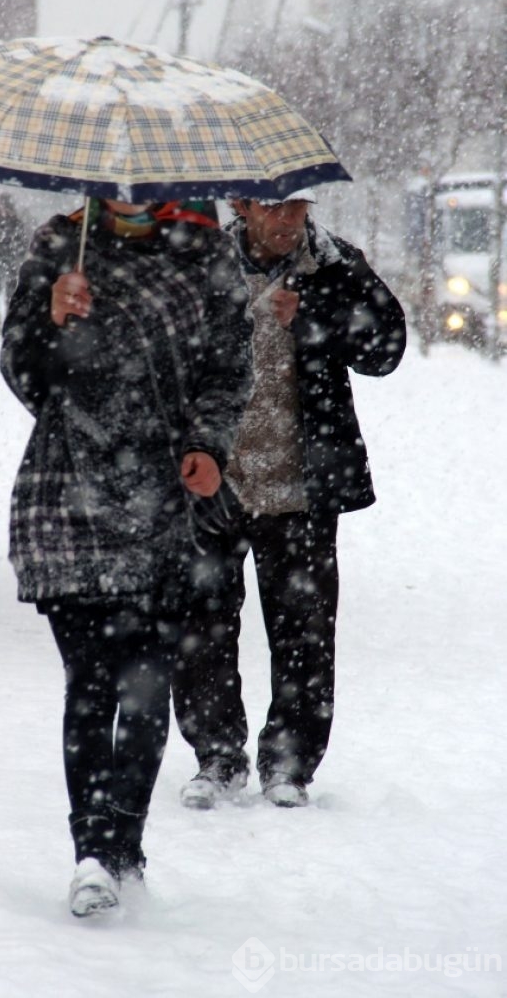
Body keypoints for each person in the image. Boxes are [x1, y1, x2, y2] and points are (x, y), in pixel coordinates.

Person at [0, 197, 252, 916]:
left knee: (145, 686)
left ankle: (121, 847)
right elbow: (24, 376)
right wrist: (51, 320)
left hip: (163, 499)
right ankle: (92, 850)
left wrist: (207, 443)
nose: (130, 189)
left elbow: (230, 367)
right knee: (89, 681)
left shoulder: (204, 253)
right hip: (66, 498)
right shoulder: (60, 243)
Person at [171, 189, 407, 810]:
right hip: (212, 480)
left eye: (296, 207)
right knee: (201, 628)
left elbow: (388, 350)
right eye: (272, 207)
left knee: (304, 632)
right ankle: (218, 758)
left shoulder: (338, 265)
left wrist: (312, 317)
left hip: (303, 484)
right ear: (241, 206)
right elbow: (164, 357)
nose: (286, 220)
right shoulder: (200, 264)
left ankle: (290, 765)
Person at [0, 193, 28, 336]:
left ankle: (8, 325)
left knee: (10, 297)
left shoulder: (16, 223)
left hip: (11, 265)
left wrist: (15, 257)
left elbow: (22, 243)